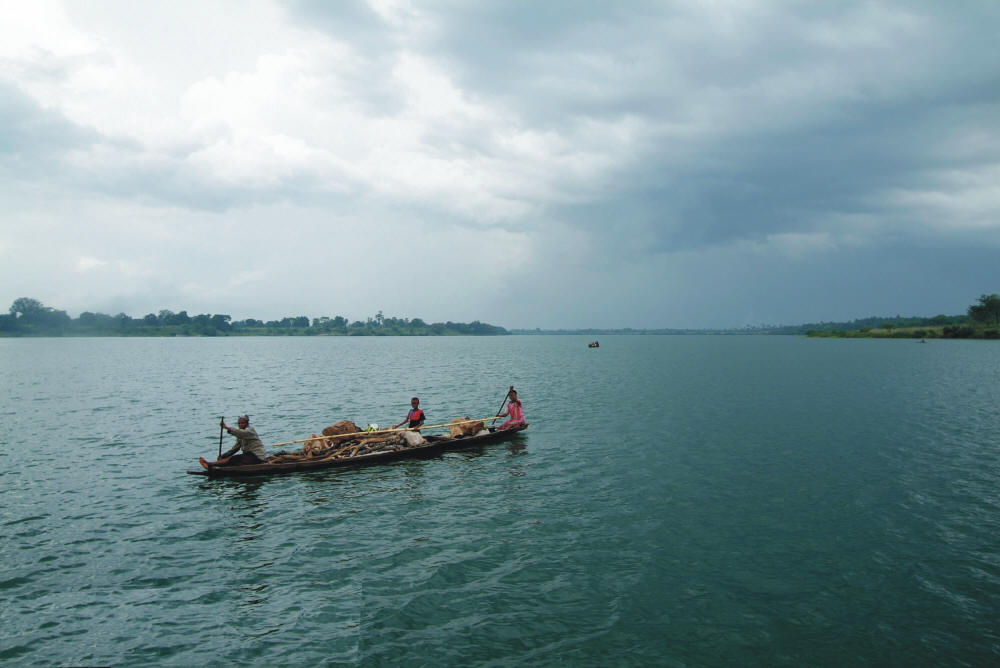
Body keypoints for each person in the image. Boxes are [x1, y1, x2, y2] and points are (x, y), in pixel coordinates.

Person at [200, 414, 267, 469]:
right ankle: (216, 465)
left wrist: (226, 428)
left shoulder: (250, 430)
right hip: (248, 456)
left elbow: (242, 432)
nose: (240, 425)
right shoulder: (240, 435)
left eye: (242, 423)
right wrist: (224, 456)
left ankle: (209, 464)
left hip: (257, 456)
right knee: (231, 459)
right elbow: (235, 448)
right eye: (239, 423)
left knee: (235, 458)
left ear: (247, 423)